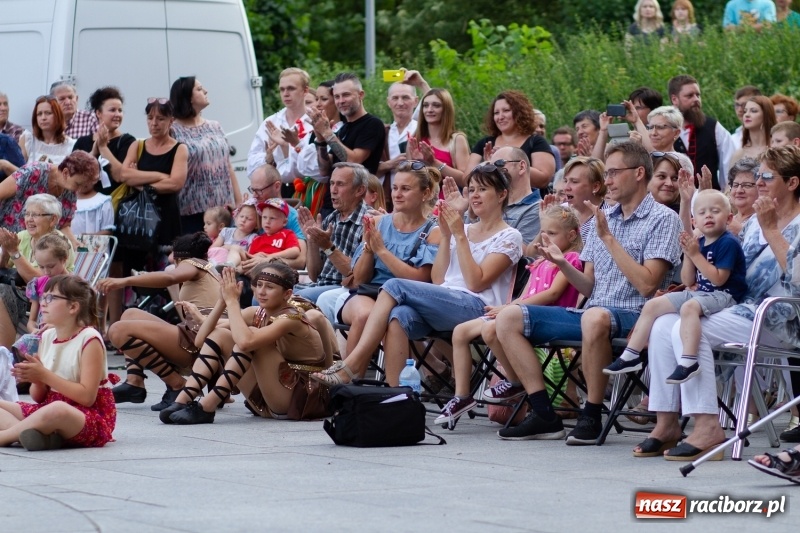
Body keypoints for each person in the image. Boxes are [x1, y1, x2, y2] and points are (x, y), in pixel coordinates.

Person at [491, 141, 681, 443]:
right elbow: (588, 286)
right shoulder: (604, 218)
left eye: (614, 173)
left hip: (638, 317)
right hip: (593, 312)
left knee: (594, 317)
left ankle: (591, 414)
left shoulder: (663, 219)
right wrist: (562, 264)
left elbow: (647, 285)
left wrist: (609, 239)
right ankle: (543, 413)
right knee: (508, 318)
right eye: (607, 174)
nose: (608, 181)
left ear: (639, 173)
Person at [639, 146, 800, 460]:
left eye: (767, 177)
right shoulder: (754, 222)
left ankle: (707, 427)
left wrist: (771, 229)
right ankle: (666, 422)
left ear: (792, 183)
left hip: (782, 318)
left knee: (687, 327)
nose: (759, 182)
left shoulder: (778, 222)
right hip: (740, 308)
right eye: (758, 176)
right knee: (663, 325)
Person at [311, 164, 522, 387]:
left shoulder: (510, 236)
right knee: (398, 316)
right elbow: (439, 279)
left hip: (479, 307)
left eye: (482, 189)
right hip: (445, 301)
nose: (475, 195)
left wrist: (458, 236)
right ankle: (396, 395)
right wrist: (448, 234)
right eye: (471, 190)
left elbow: (475, 283)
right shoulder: (461, 228)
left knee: (394, 286)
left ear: (502, 195)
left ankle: (351, 366)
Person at [437, 205, 583, 428]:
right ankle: (462, 395)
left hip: (544, 316)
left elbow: (552, 294)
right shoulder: (540, 261)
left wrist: (510, 309)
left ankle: (515, 381)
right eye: (543, 232)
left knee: (490, 330)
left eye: (552, 233)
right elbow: (526, 293)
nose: (545, 238)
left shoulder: (569, 259)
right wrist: (508, 306)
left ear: (571, 235)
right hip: (520, 311)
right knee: (460, 332)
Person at [161, 261, 332, 424]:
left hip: (301, 399)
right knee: (221, 334)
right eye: (259, 285)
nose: (261, 292)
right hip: (272, 395)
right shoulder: (257, 312)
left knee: (250, 337)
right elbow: (200, 340)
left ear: (287, 294)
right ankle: (182, 400)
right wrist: (222, 300)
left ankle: (206, 407)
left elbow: (245, 342)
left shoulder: (291, 318)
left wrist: (232, 302)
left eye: (269, 287)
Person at [605, 189, 746, 384]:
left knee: (689, 308)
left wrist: (695, 255)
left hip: (725, 295)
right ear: (695, 222)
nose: (708, 216)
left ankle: (688, 361)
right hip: (702, 293)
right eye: (702, 212)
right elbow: (687, 281)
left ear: (729, 218)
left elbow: (718, 280)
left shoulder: (728, 242)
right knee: (653, 305)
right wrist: (688, 254)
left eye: (715, 211)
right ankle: (631, 354)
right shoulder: (699, 242)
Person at [98, 232, 220, 411]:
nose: (170, 257)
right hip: (198, 338)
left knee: (117, 331)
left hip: (199, 345)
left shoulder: (193, 263)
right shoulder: (207, 268)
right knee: (131, 314)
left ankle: (177, 384)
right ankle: (134, 382)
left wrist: (124, 281)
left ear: (180, 256)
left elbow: (169, 278)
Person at [334, 161, 440, 357]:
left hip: (407, 299)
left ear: (425, 193)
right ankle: (350, 374)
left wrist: (382, 251)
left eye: (405, 189)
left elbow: (420, 279)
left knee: (394, 318)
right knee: (364, 315)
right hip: (370, 293)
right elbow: (359, 279)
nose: (397, 194)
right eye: (395, 188)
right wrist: (369, 249)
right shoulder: (377, 222)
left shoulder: (433, 232)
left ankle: (356, 371)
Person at [0, 275, 115, 450]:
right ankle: (39, 435)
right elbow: (38, 397)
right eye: (43, 297)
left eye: (51, 298)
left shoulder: (89, 339)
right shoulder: (46, 337)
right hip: (48, 409)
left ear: (73, 307)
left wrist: (44, 375)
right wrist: (37, 380)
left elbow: (87, 398)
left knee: (57, 409)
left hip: (88, 417)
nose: (43, 303)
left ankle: (7, 436)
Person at [0, 193, 78, 349]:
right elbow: (4, 268)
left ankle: (4, 353)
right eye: (27, 214)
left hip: (48, 297)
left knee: (2, 292)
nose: (29, 219)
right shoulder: (22, 236)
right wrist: (6, 250)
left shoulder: (59, 243)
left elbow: (41, 280)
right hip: (23, 295)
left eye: (35, 215)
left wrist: (15, 252)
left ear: (53, 219)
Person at [170, 76, 241, 233]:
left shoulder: (215, 126)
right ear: (188, 97)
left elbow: (228, 166)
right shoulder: (173, 131)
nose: (206, 91)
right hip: (191, 212)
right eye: (199, 89)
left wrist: (239, 202)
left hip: (223, 211)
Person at [309, 72, 385, 216]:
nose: (341, 101)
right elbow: (324, 170)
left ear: (361, 95)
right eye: (337, 96)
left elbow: (353, 161)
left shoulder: (372, 124)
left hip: (357, 207)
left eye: (346, 95)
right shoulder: (343, 129)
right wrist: (320, 140)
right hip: (331, 207)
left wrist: (327, 133)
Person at [295, 162, 371, 303]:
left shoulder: (369, 221)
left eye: (340, 184)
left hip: (344, 289)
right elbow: (314, 275)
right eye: (331, 183)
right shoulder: (331, 218)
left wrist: (327, 246)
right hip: (319, 286)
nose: (333, 190)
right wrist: (312, 241)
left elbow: (358, 276)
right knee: (267, 292)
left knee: (293, 299)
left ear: (359, 190)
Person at [0, 150, 99, 248]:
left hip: (33, 248)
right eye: (78, 184)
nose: (80, 190)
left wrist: (73, 242)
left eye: (85, 186)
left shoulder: (70, 191)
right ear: (65, 173)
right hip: (6, 241)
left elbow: (63, 225)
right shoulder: (34, 172)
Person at [467, 91, 556, 195]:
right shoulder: (484, 143)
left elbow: (543, 180)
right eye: (496, 113)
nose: (500, 117)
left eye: (506, 110)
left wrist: (505, 161)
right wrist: (487, 165)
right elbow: (466, 180)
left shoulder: (536, 142)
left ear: (520, 112)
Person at [668, 75, 736, 190]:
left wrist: (727, 195)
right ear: (674, 99)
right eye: (690, 96)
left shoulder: (713, 127)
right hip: (673, 199)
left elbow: (729, 167)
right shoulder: (663, 127)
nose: (696, 99)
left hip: (709, 198)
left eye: (698, 95)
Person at [11, 234, 72, 359]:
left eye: (51, 266)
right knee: (20, 349)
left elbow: (82, 319)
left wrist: (56, 327)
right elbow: (32, 320)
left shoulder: (73, 285)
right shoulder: (39, 283)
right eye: (41, 267)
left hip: (66, 334)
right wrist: (33, 330)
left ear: (64, 259)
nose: (46, 272)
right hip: (42, 334)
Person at [247, 67, 312, 180]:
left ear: (305, 91)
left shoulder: (314, 121)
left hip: (309, 186)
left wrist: (287, 147)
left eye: (291, 88)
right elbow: (251, 165)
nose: (285, 94)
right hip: (276, 186)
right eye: (282, 89)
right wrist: (268, 158)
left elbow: (316, 165)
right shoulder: (271, 122)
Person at [239, 164, 307, 272]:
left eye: (259, 190)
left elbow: (301, 261)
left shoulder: (293, 217)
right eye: (252, 190)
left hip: (273, 273)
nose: (254, 196)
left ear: (277, 186)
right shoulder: (252, 210)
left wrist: (268, 260)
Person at [71, 86, 136, 198]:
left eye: (120, 110)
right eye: (112, 110)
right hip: (85, 203)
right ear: (98, 113)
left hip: (114, 202)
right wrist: (93, 153)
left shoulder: (127, 141)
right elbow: (73, 177)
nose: (117, 114)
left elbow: (121, 176)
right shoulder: (82, 142)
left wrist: (103, 148)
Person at [408, 88, 470, 189]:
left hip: (449, 198)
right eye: (425, 105)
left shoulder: (457, 139)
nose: (429, 110)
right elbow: (408, 180)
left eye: (436, 105)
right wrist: (418, 164)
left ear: (446, 110)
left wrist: (434, 162)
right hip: (421, 198)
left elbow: (466, 180)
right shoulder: (416, 140)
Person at [377, 82, 418, 205]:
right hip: (385, 199)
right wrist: (389, 164)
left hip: (415, 199)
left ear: (415, 101)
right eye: (395, 98)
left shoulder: (421, 130)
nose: (400, 103)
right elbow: (365, 171)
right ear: (388, 102)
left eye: (405, 97)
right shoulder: (382, 132)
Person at [19, 96, 75, 167]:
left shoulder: (71, 145)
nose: (43, 118)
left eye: (48, 113)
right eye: (39, 114)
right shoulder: (28, 140)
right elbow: (17, 170)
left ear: (58, 115)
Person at [730, 95, 777, 166]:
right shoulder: (740, 154)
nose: (747, 115)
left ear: (766, 115)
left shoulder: (778, 148)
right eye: (745, 111)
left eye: (753, 111)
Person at [211, 198, 259, 267]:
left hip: (237, 266)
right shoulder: (226, 231)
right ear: (236, 217)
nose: (243, 220)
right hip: (217, 261)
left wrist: (229, 247)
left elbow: (249, 257)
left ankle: (228, 266)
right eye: (241, 216)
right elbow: (212, 249)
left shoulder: (253, 238)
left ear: (256, 224)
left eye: (249, 219)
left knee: (235, 249)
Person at [71, 166, 114, 236]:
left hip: (92, 242)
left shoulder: (103, 201)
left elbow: (108, 231)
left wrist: (89, 237)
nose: (82, 182)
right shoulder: (68, 200)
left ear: (95, 178)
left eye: (86, 178)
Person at [727, 158, 761, 238]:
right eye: (735, 185)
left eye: (747, 185)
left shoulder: (764, 222)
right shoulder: (724, 220)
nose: (739, 190)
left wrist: (740, 232)